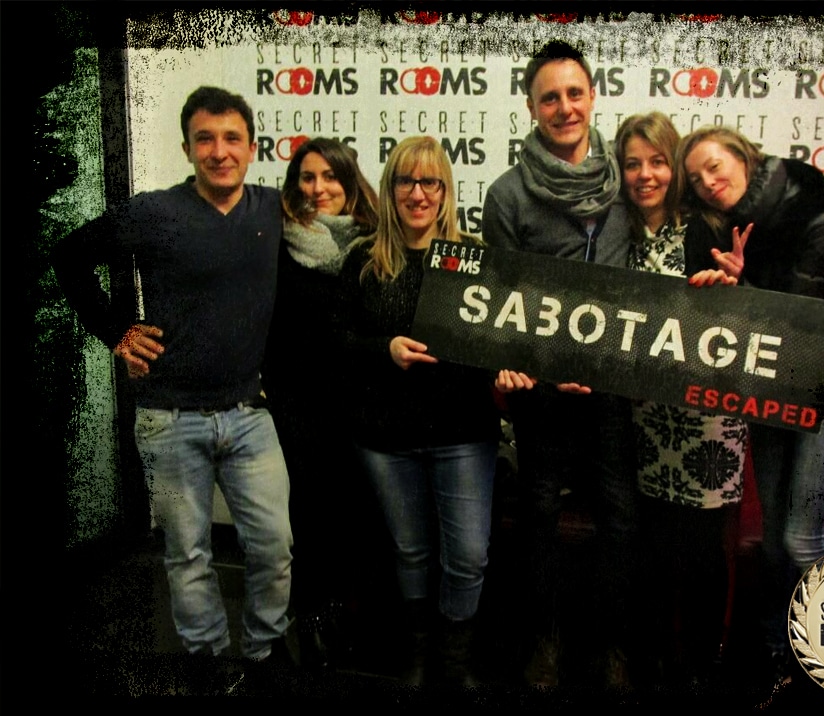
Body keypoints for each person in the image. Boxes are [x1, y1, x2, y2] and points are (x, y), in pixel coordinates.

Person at [52, 86, 293, 692]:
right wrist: (116, 332)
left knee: (274, 547)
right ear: (187, 148)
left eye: (232, 138)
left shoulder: (272, 209)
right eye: (205, 139)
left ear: (253, 147)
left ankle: (264, 654)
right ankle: (206, 662)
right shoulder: (154, 212)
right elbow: (70, 255)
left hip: (249, 414)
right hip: (167, 418)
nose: (219, 151)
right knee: (188, 556)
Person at [676, 125, 824, 682]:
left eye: (715, 166)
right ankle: (776, 650)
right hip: (772, 387)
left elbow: (808, 312)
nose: (708, 182)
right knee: (772, 546)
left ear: (742, 155)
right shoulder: (716, 224)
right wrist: (733, 288)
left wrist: (748, 283)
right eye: (696, 177)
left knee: (801, 539)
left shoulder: (807, 199)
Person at [482, 40, 638, 689]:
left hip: (613, 392)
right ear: (530, 107)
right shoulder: (507, 195)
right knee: (540, 515)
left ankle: (611, 647)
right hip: (543, 395)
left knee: (621, 518)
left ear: (593, 96)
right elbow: (499, 302)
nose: (564, 107)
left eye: (575, 93)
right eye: (550, 97)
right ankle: (544, 642)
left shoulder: (628, 183)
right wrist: (533, 368)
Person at [339, 136, 502, 687]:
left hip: (463, 433)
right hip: (386, 438)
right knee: (411, 552)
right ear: (390, 189)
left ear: (446, 190)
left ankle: (455, 661)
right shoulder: (364, 259)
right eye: (406, 181)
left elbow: (496, 342)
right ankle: (417, 654)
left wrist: (508, 370)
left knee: (469, 556)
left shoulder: (473, 257)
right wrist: (383, 349)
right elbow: (337, 341)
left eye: (429, 181)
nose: (418, 193)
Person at [614, 113, 746, 685]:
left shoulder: (709, 227)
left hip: (707, 419)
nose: (645, 175)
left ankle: (698, 664)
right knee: (655, 545)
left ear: (675, 167)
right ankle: (656, 659)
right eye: (633, 164)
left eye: (657, 162)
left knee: (702, 548)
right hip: (646, 418)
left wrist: (734, 290)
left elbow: (746, 324)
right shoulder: (617, 231)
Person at [261, 137, 379, 673]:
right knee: (306, 515)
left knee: (353, 515)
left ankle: (347, 617)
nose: (318, 188)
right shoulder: (275, 240)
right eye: (307, 177)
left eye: (330, 177)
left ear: (350, 182)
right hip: (296, 401)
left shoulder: (376, 242)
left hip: (357, 401)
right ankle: (309, 621)